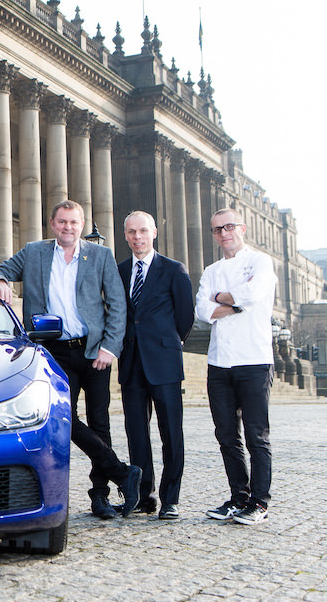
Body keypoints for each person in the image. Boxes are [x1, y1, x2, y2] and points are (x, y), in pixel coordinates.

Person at [0, 199, 140, 519]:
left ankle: (101, 497)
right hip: (54, 352)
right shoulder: (35, 252)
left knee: (100, 422)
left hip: (94, 349)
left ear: (80, 225)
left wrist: (110, 347)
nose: (67, 227)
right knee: (62, 419)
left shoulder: (100, 255)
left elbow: (117, 304)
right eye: (62, 222)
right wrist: (0, 281)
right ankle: (122, 472)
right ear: (53, 224)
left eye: (73, 222)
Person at [195, 208, 276, 526]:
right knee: (226, 435)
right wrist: (231, 303)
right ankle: (238, 497)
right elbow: (202, 309)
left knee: (257, 435)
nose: (223, 233)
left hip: (254, 359)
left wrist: (224, 298)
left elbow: (253, 294)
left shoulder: (260, 261)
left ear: (241, 228)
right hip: (219, 361)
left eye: (229, 227)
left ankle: (260, 502)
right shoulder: (212, 269)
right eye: (217, 229)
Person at [117, 211, 194, 521]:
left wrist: (168, 343)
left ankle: (170, 498)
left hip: (164, 362)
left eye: (143, 231)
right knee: (136, 433)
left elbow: (185, 318)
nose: (138, 237)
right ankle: (143, 496)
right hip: (131, 362)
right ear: (125, 235)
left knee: (170, 433)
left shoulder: (174, 270)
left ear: (154, 233)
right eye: (132, 232)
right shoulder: (119, 271)